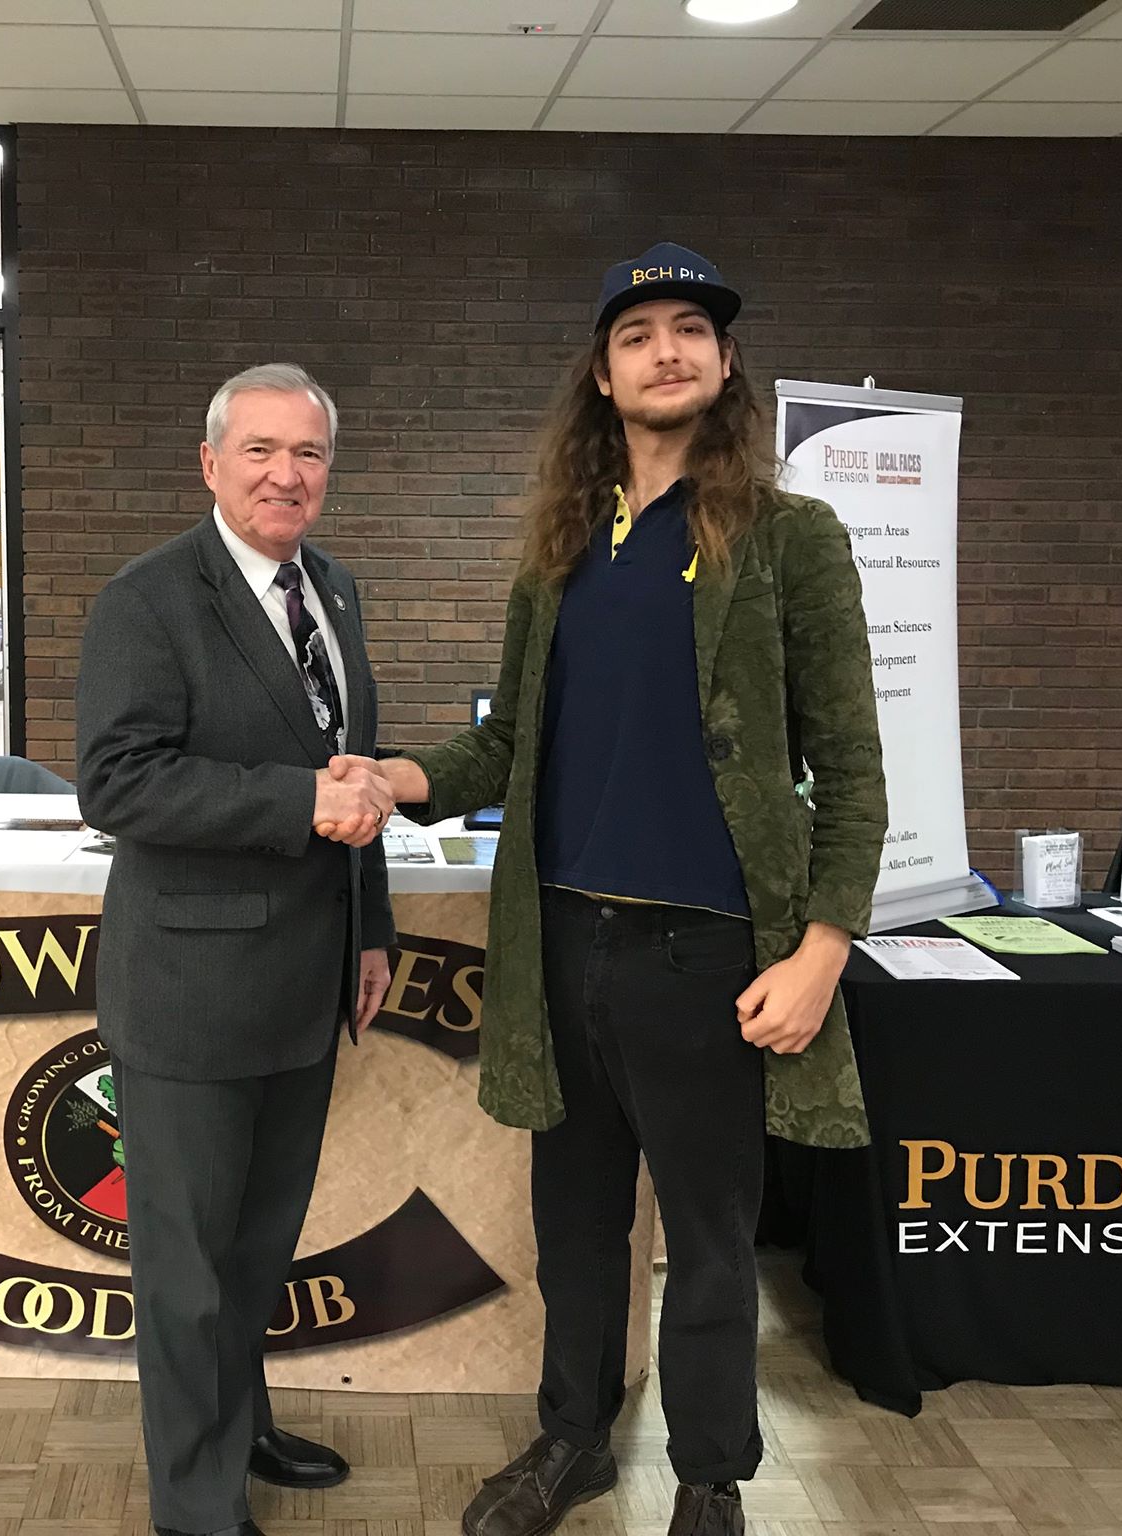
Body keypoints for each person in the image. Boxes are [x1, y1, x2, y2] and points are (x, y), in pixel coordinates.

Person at [368, 245, 888, 1536]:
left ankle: (710, 1482)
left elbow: (857, 768)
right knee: (581, 1228)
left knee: (711, 1244)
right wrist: (404, 773)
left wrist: (823, 948)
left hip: (708, 960)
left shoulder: (790, 542)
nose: (667, 351)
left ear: (722, 365)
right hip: (562, 947)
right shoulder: (557, 558)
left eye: (691, 332)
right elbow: (506, 748)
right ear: (601, 376)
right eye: (639, 333)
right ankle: (572, 1439)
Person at [75, 364, 397, 1536]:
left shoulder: (337, 592)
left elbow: (350, 775)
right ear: (210, 464)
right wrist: (292, 803)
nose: (285, 474)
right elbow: (115, 783)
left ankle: (240, 1425)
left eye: (307, 455)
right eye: (260, 450)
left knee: (256, 1249)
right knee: (188, 1273)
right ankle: (196, 1507)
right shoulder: (148, 599)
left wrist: (372, 928)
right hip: (192, 995)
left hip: (308, 986)